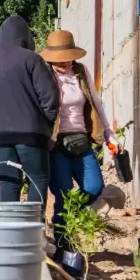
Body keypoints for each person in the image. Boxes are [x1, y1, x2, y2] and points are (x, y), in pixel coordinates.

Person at [0, 15, 59, 205]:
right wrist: (46, 124)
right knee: (38, 179)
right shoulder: (31, 59)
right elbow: (50, 97)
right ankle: (33, 230)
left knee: (9, 183)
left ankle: (11, 233)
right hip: (31, 134)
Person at [39, 30, 116, 249]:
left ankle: (68, 221)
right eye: (58, 59)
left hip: (81, 140)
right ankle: (64, 241)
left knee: (94, 187)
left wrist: (109, 132)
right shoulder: (45, 76)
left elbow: (96, 102)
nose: (63, 63)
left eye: (67, 57)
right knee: (62, 193)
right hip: (56, 144)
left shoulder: (81, 72)